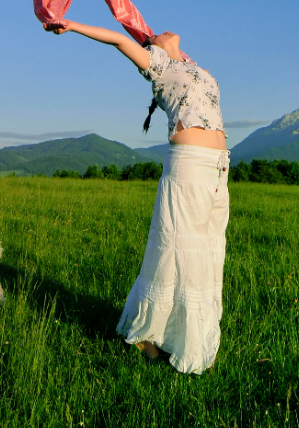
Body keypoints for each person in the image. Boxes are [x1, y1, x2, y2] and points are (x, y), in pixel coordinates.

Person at [48, 19, 229, 375]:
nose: (159, 27)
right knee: (181, 251)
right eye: (153, 36)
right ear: (154, 49)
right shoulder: (159, 67)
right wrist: (70, 26)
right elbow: (117, 38)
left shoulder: (196, 69)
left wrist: (173, 50)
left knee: (208, 252)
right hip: (190, 165)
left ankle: (185, 335)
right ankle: (157, 340)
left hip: (219, 167)